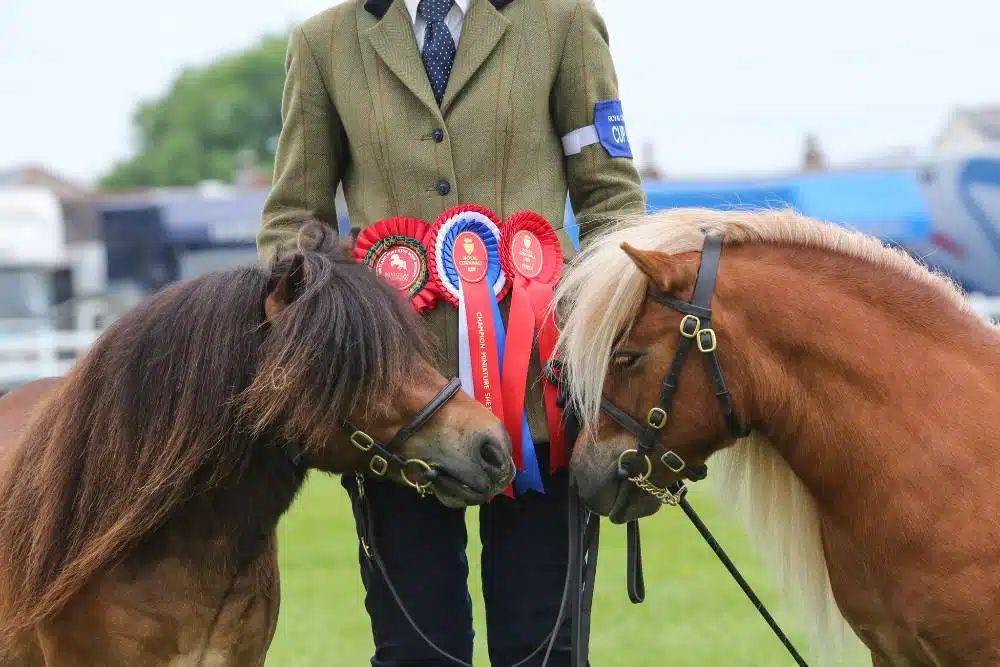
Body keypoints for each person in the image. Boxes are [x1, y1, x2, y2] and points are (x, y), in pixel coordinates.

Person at [257, 0, 645, 664]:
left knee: (542, 651)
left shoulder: (564, 22)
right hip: (394, 414)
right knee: (416, 652)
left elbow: (612, 201)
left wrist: (606, 341)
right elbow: (295, 218)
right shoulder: (324, 43)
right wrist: (326, 329)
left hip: (541, 398)